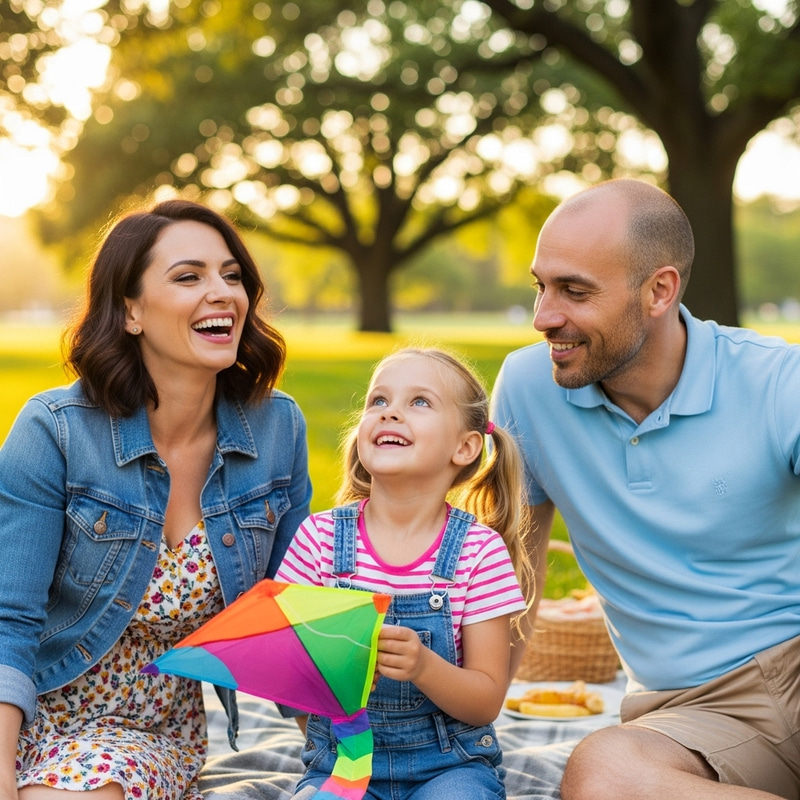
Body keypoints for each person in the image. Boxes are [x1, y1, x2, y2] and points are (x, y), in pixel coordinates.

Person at [491, 177, 800, 799]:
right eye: (540, 286)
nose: (544, 317)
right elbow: (508, 574)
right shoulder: (528, 387)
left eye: (574, 291)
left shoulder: (778, 383)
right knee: (604, 775)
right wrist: (467, 710)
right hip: (695, 717)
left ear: (660, 290)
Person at [0, 199, 313, 800]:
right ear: (130, 311)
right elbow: (9, 621)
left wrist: (344, 760)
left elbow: (288, 621)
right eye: (188, 276)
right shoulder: (54, 430)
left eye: (232, 274)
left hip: (146, 732)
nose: (222, 292)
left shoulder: (278, 430)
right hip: (27, 706)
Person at [277, 347, 534, 799]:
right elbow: (286, 674)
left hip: (450, 768)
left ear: (465, 447)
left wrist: (423, 666)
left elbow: (486, 699)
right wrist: (332, 674)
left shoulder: (479, 552)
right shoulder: (317, 539)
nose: (390, 413)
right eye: (378, 400)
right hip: (342, 764)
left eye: (419, 402)